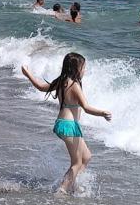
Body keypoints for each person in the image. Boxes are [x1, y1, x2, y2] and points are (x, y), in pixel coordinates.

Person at [21, 53, 112, 194]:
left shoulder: (61, 81)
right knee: (76, 163)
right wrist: (103, 113)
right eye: (83, 67)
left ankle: (72, 184)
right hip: (68, 125)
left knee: (86, 156)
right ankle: (61, 191)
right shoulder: (74, 85)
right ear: (76, 68)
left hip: (66, 125)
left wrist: (28, 74)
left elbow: (40, 86)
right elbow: (86, 108)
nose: (84, 70)